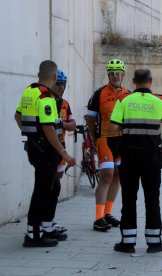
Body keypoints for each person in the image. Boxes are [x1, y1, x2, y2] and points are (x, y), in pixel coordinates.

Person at [15, 60, 75, 247]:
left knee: (53, 187)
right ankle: (33, 234)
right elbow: (48, 128)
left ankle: (46, 226)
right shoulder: (46, 97)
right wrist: (64, 152)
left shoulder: (29, 91)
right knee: (42, 190)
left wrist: (31, 137)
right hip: (46, 151)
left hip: (35, 149)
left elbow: (18, 116)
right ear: (55, 76)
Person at [110, 69, 162, 254]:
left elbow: (113, 126)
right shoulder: (160, 101)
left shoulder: (124, 100)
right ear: (150, 81)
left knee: (129, 199)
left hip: (130, 157)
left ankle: (127, 243)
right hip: (152, 158)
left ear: (134, 81)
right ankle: (154, 242)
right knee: (152, 199)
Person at [87, 59, 130, 232]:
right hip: (104, 138)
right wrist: (94, 138)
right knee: (106, 176)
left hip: (122, 141)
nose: (115, 76)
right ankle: (98, 218)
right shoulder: (99, 94)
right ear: (108, 75)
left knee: (118, 176)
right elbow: (90, 119)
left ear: (123, 74)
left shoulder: (129, 94)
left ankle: (107, 213)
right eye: (111, 73)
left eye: (118, 72)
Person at [45, 69, 76, 236]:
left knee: (55, 184)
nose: (61, 87)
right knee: (49, 186)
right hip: (48, 148)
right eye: (59, 83)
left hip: (61, 148)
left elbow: (73, 124)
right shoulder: (45, 100)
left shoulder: (64, 103)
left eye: (64, 84)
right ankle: (45, 221)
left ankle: (48, 220)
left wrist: (61, 124)